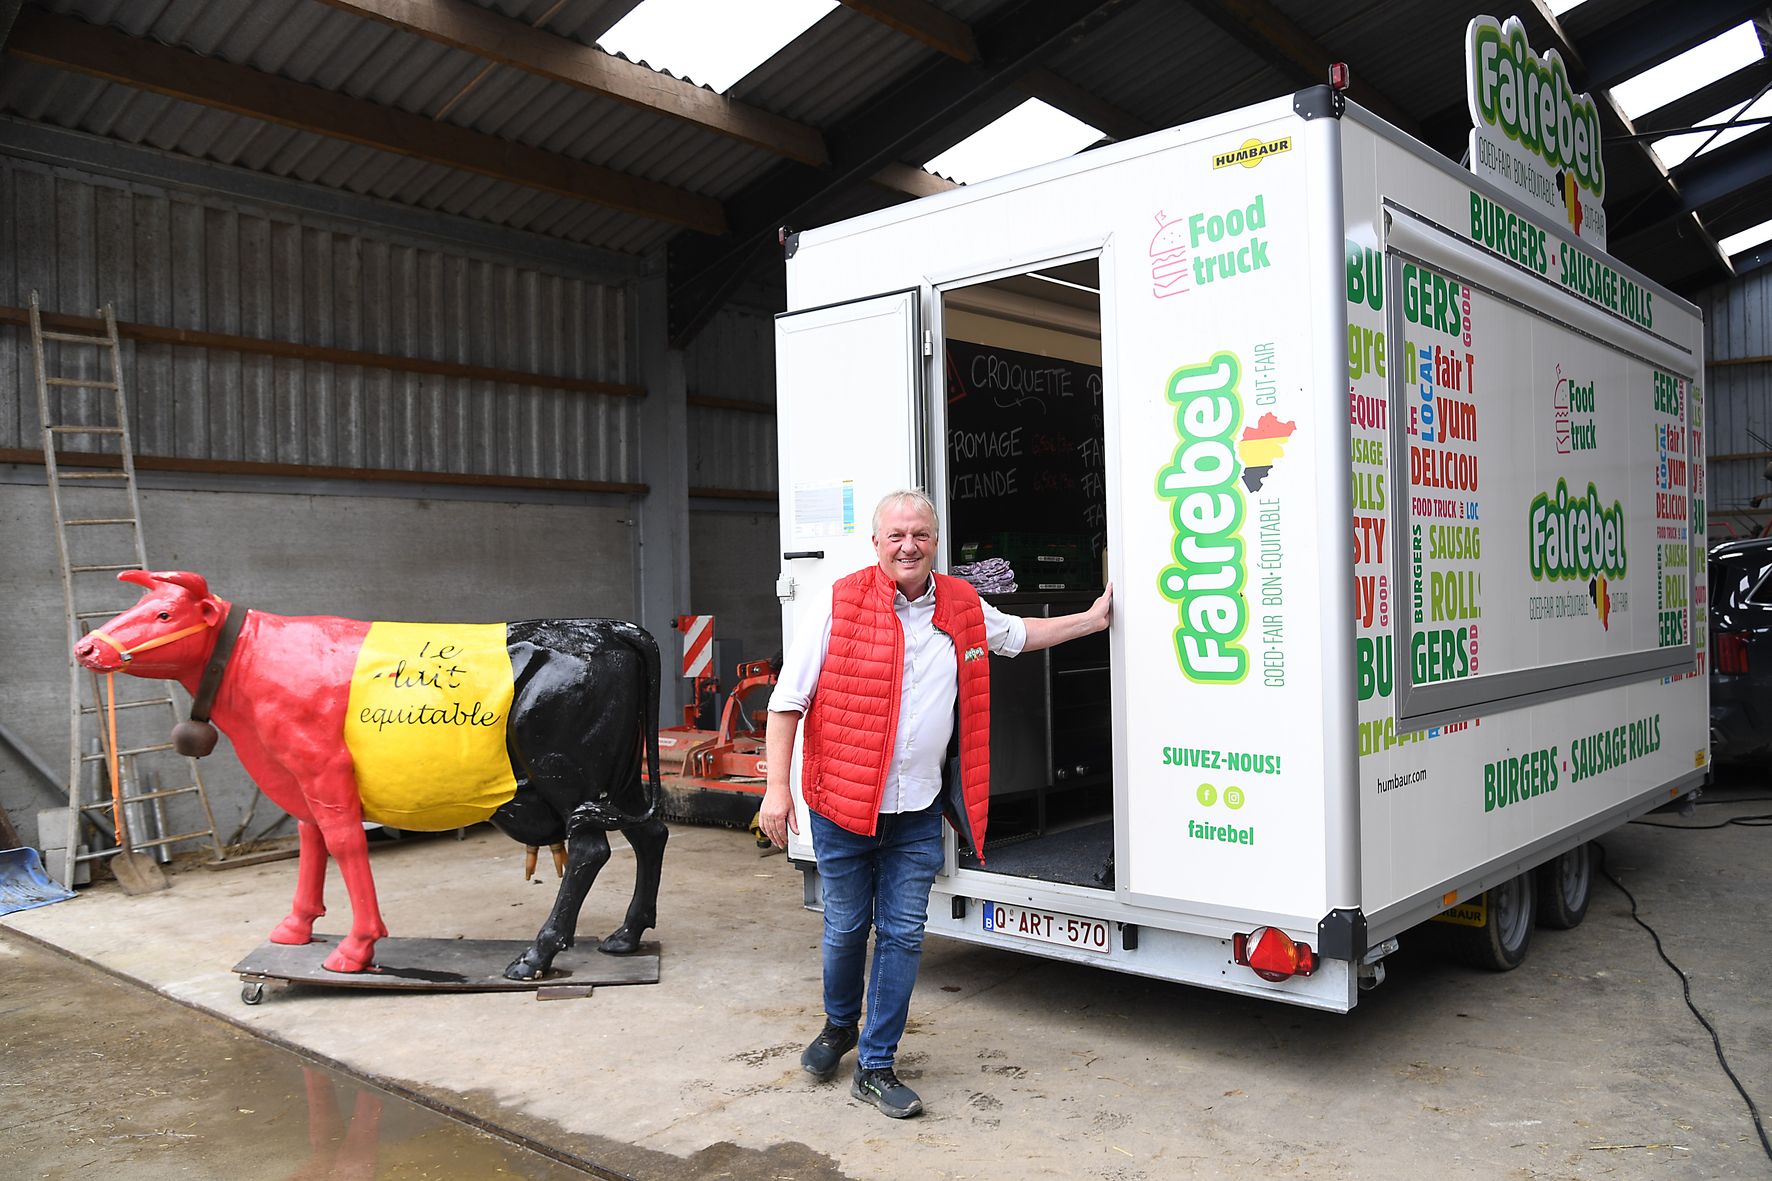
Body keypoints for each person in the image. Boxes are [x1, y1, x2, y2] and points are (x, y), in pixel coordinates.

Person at [759, 489, 1112, 1119]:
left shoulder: (962, 604)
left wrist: (1093, 619)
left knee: (901, 935)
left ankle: (875, 1063)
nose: (908, 546)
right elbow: (788, 702)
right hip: (844, 804)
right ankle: (839, 1025)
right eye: (895, 536)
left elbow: (1021, 635)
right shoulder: (838, 603)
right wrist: (777, 790)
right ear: (875, 545)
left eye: (920, 534)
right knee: (844, 928)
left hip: (919, 810)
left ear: (936, 541)